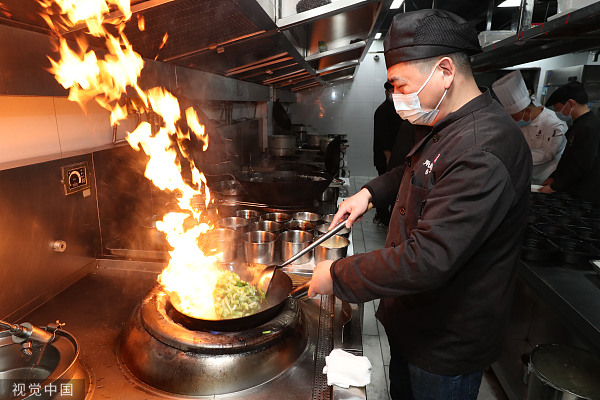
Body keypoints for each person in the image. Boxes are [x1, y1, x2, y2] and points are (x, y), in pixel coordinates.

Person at [307, 9, 532, 400]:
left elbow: (428, 259)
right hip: (416, 323)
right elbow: (419, 171)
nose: (396, 97)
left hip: (446, 343)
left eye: (401, 84)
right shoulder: (449, 122)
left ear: (445, 70)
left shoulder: (484, 147)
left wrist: (337, 273)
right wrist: (369, 193)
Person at [493, 70, 567, 184]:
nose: (513, 120)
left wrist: (514, 157)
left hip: (545, 182)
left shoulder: (553, 123)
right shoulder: (521, 124)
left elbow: (548, 154)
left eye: (514, 117)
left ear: (526, 111)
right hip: (525, 179)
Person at [540, 81, 600, 202]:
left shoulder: (587, 127)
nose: (557, 112)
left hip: (583, 194)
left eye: (557, 108)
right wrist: (553, 177)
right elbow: (569, 159)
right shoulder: (581, 123)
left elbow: (581, 166)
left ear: (571, 103)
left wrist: (554, 186)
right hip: (573, 189)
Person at [373, 81, 403, 227]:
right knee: (385, 188)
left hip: (396, 158)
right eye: (391, 90)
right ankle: (382, 217)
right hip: (386, 158)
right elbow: (383, 138)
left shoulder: (398, 109)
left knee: (393, 189)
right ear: (386, 92)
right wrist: (389, 160)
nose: (394, 93)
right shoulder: (383, 110)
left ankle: (387, 217)